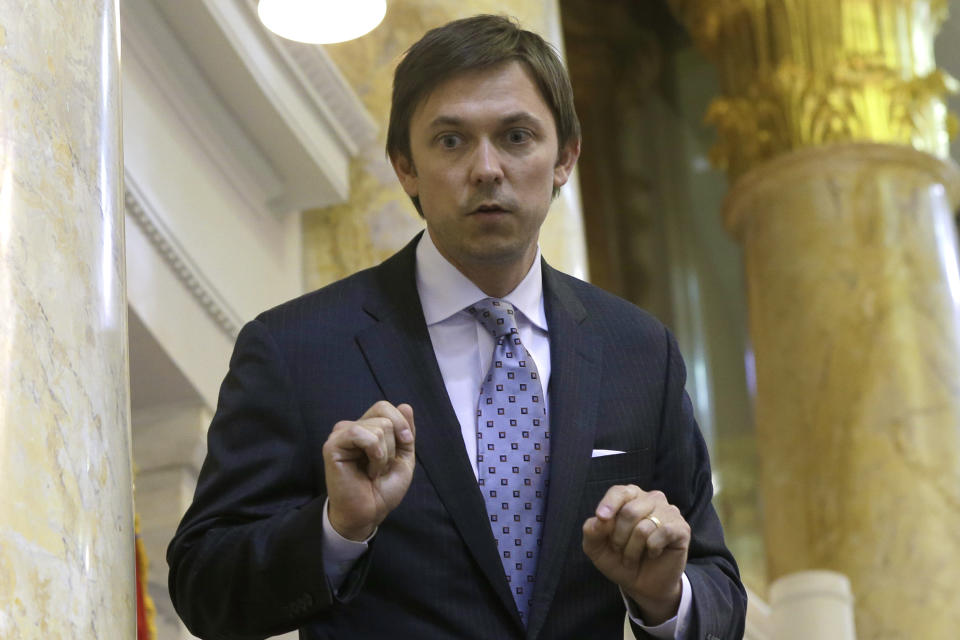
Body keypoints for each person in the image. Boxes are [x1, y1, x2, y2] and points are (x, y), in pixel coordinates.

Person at [167, 14, 746, 640]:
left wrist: (666, 598)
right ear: (405, 168)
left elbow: (717, 586)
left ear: (565, 159)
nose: (487, 168)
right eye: (451, 141)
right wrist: (338, 528)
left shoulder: (640, 352)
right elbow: (204, 585)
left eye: (517, 136)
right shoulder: (296, 349)